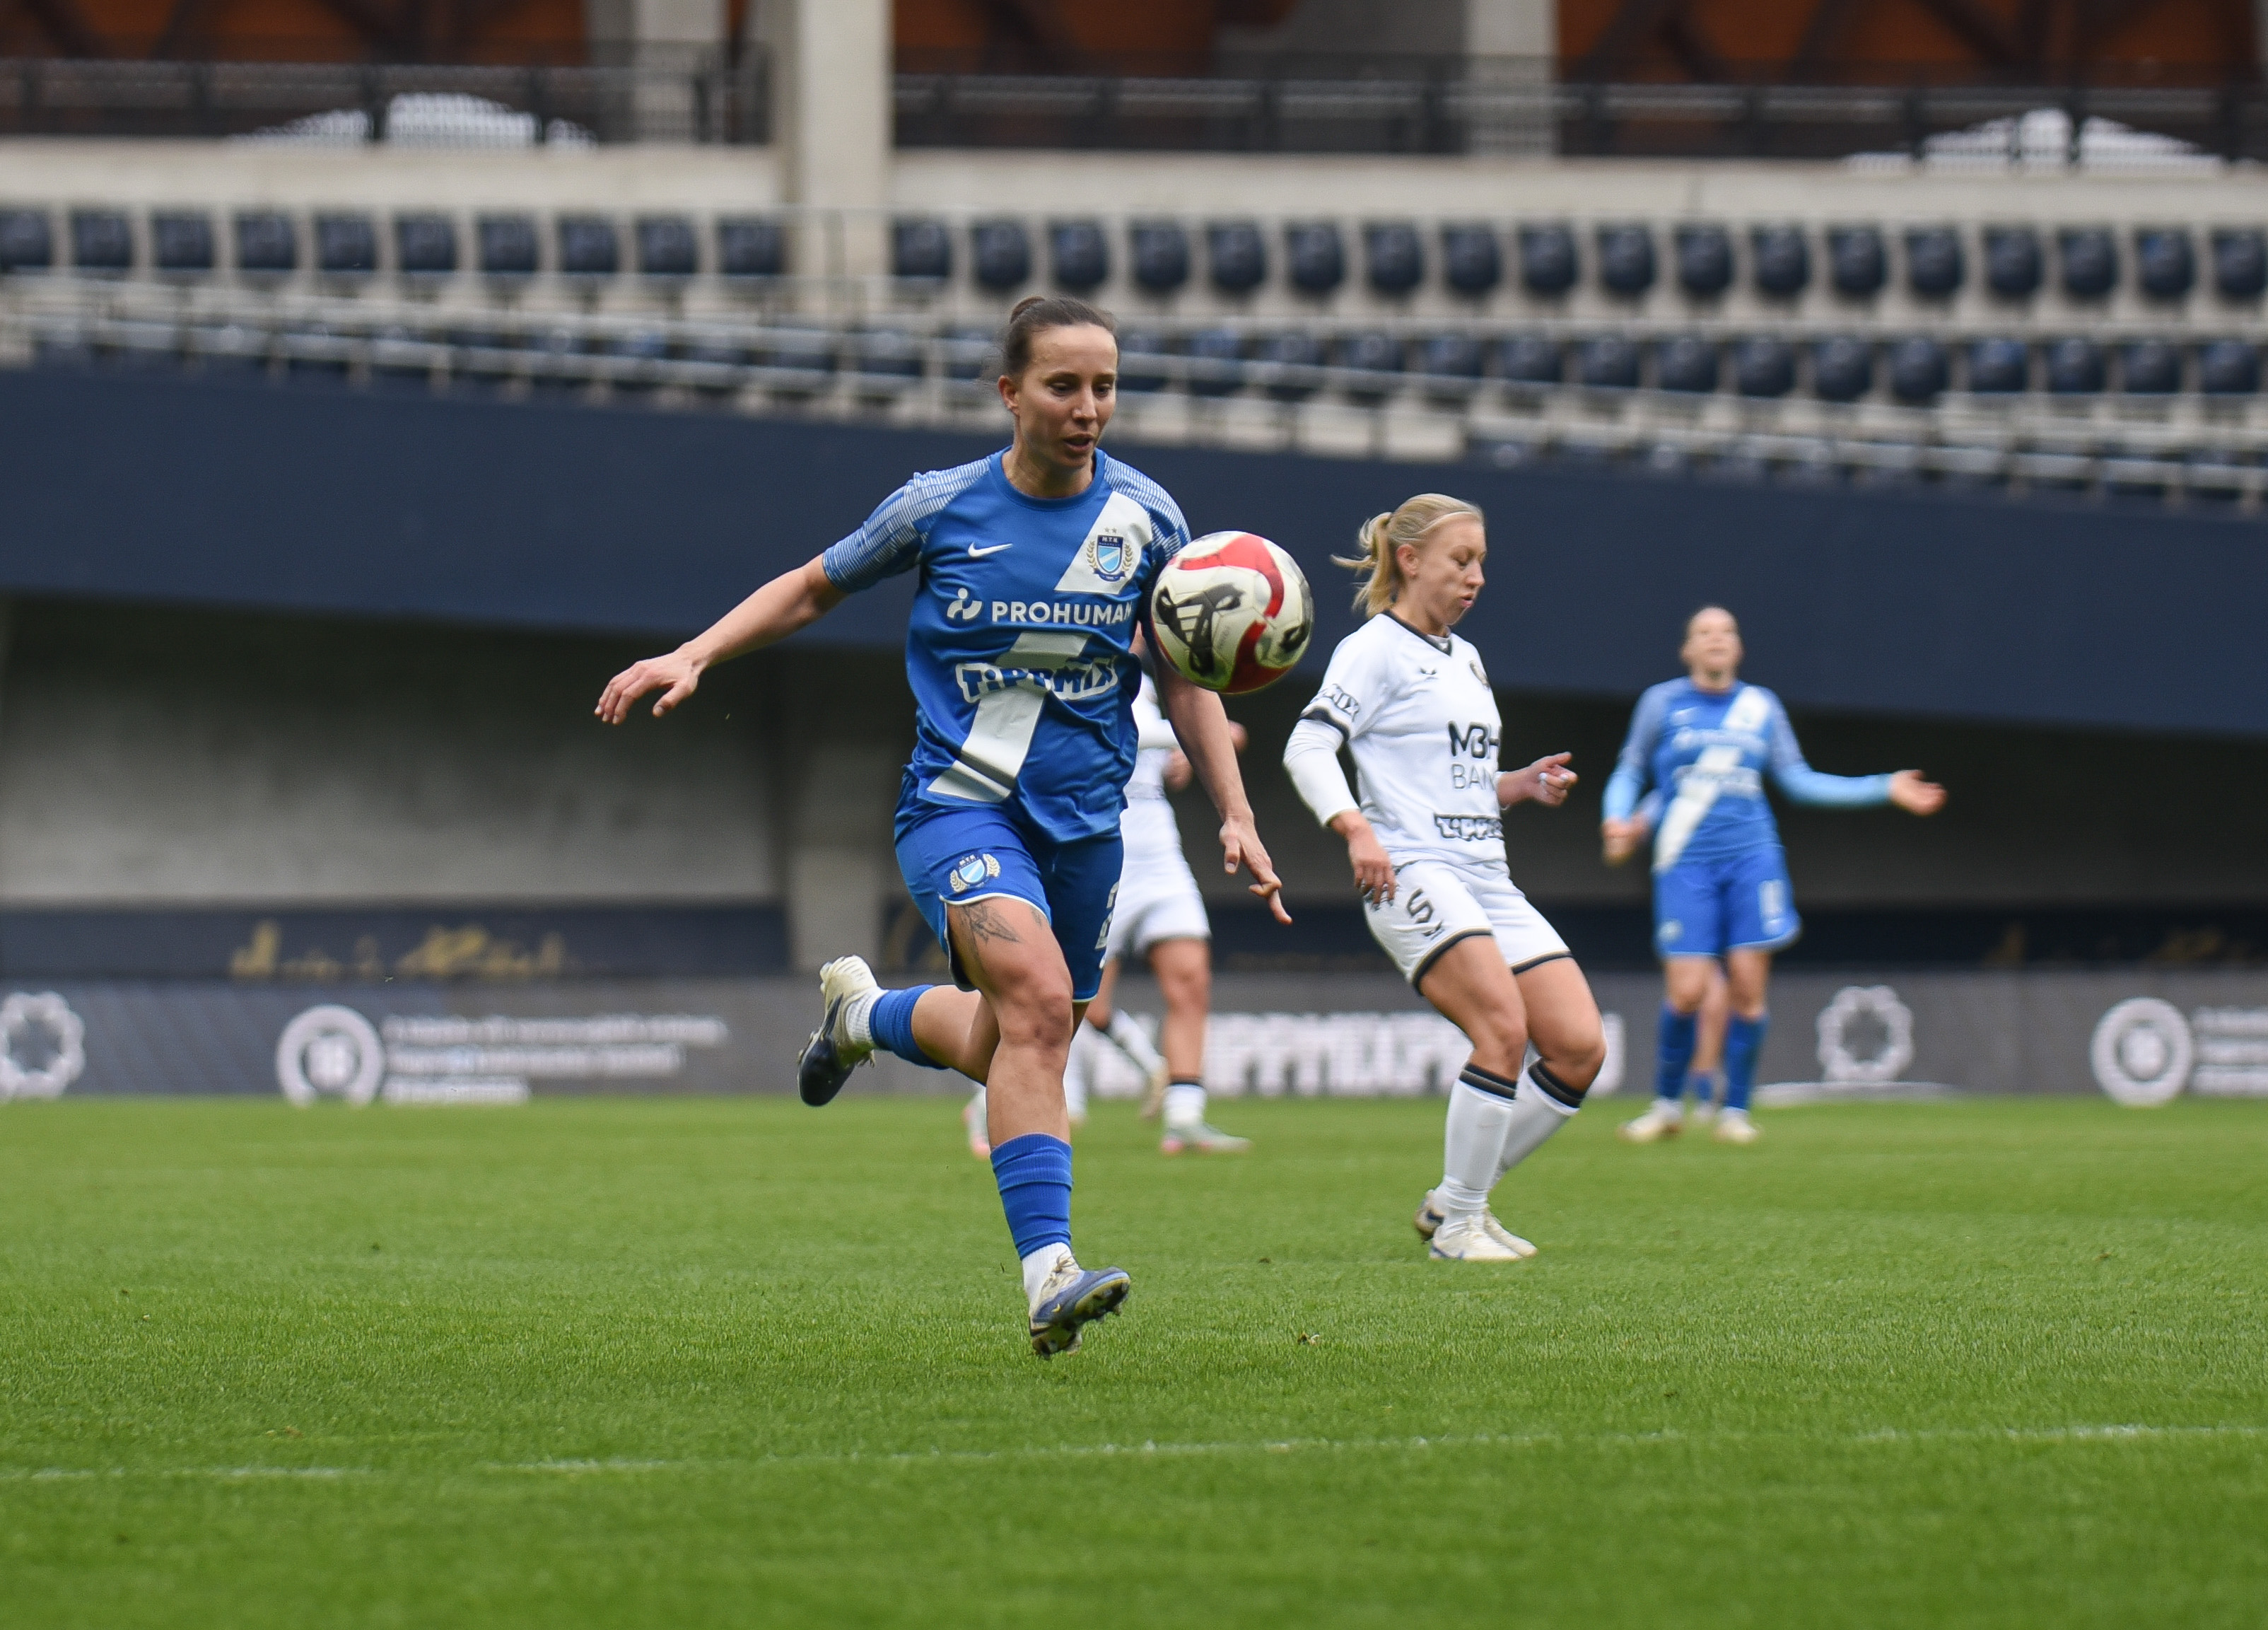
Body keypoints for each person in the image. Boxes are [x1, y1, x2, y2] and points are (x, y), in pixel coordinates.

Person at [597, 295, 1290, 1358]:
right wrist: (695, 653)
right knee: (1040, 1008)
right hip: (959, 807)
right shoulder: (941, 505)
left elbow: (1187, 673)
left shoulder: (1150, 519)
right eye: (1063, 385)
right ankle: (1050, 1275)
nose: (1088, 407)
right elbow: (812, 587)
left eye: (1105, 386)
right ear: (1009, 392)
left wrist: (1235, 811)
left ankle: (863, 1018)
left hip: (1086, 826)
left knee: (1006, 1038)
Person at [1282, 493, 1606, 1264]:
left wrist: (1516, 783)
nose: (1477, 577)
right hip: (1413, 869)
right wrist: (1355, 829)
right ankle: (1459, 1224)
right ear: (1409, 559)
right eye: (1462, 560)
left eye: (1481, 562)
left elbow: (1445, 778)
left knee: (1578, 1047)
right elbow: (1306, 746)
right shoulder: (1374, 648)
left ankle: (1456, 1201)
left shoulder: (1466, 657)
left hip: (1486, 875)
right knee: (1501, 1029)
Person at [1602, 606, 1946, 1146]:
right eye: (1704, 632)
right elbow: (1629, 770)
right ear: (1687, 649)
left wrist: (1883, 786)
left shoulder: (1760, 706)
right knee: (1687, 993)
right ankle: (1667, 1106)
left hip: (1753, 860)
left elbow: (1799, 781)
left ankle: (1735, 1110)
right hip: (1684, 863)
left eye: (1727, 631)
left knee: (1747, 990)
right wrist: (1617, 815)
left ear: (1739, 647)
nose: (1716, 639)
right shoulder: (1662, 703)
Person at [966, 655, 1252, 1157]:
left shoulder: (1152, 685)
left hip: (1159, 851)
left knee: (1191, 976)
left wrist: (1188, 754)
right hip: (1094, 845)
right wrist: (1195, 735)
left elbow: (1178, 742)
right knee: (1067, 999)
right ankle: (989, 1098)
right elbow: (1119, 733)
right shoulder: (1069, 666)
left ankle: (1184, 1117)